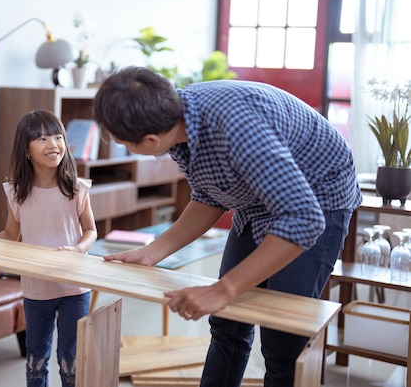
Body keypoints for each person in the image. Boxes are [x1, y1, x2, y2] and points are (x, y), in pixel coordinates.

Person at [92, 66, 362, 387]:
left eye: (124, 143)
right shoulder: (179, 121)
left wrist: (225, 288)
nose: (124, 146)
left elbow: (303, 219)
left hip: (318, 198)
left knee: (282, 342)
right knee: (227, 323)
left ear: (150, 140)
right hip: (258, 200)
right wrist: (153, 252)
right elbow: (209, 196)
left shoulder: (238, 130)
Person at [0, 110, 97, 387]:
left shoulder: (77, 189)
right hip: (36, 287)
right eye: (41, 138)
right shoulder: (16, 193)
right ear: (26, 150)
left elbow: (91, 231)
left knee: (70, 361)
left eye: (57, 136)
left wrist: (78, 249)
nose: (53, 144)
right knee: (36, 359)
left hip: (74, 286)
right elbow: (10, 233)